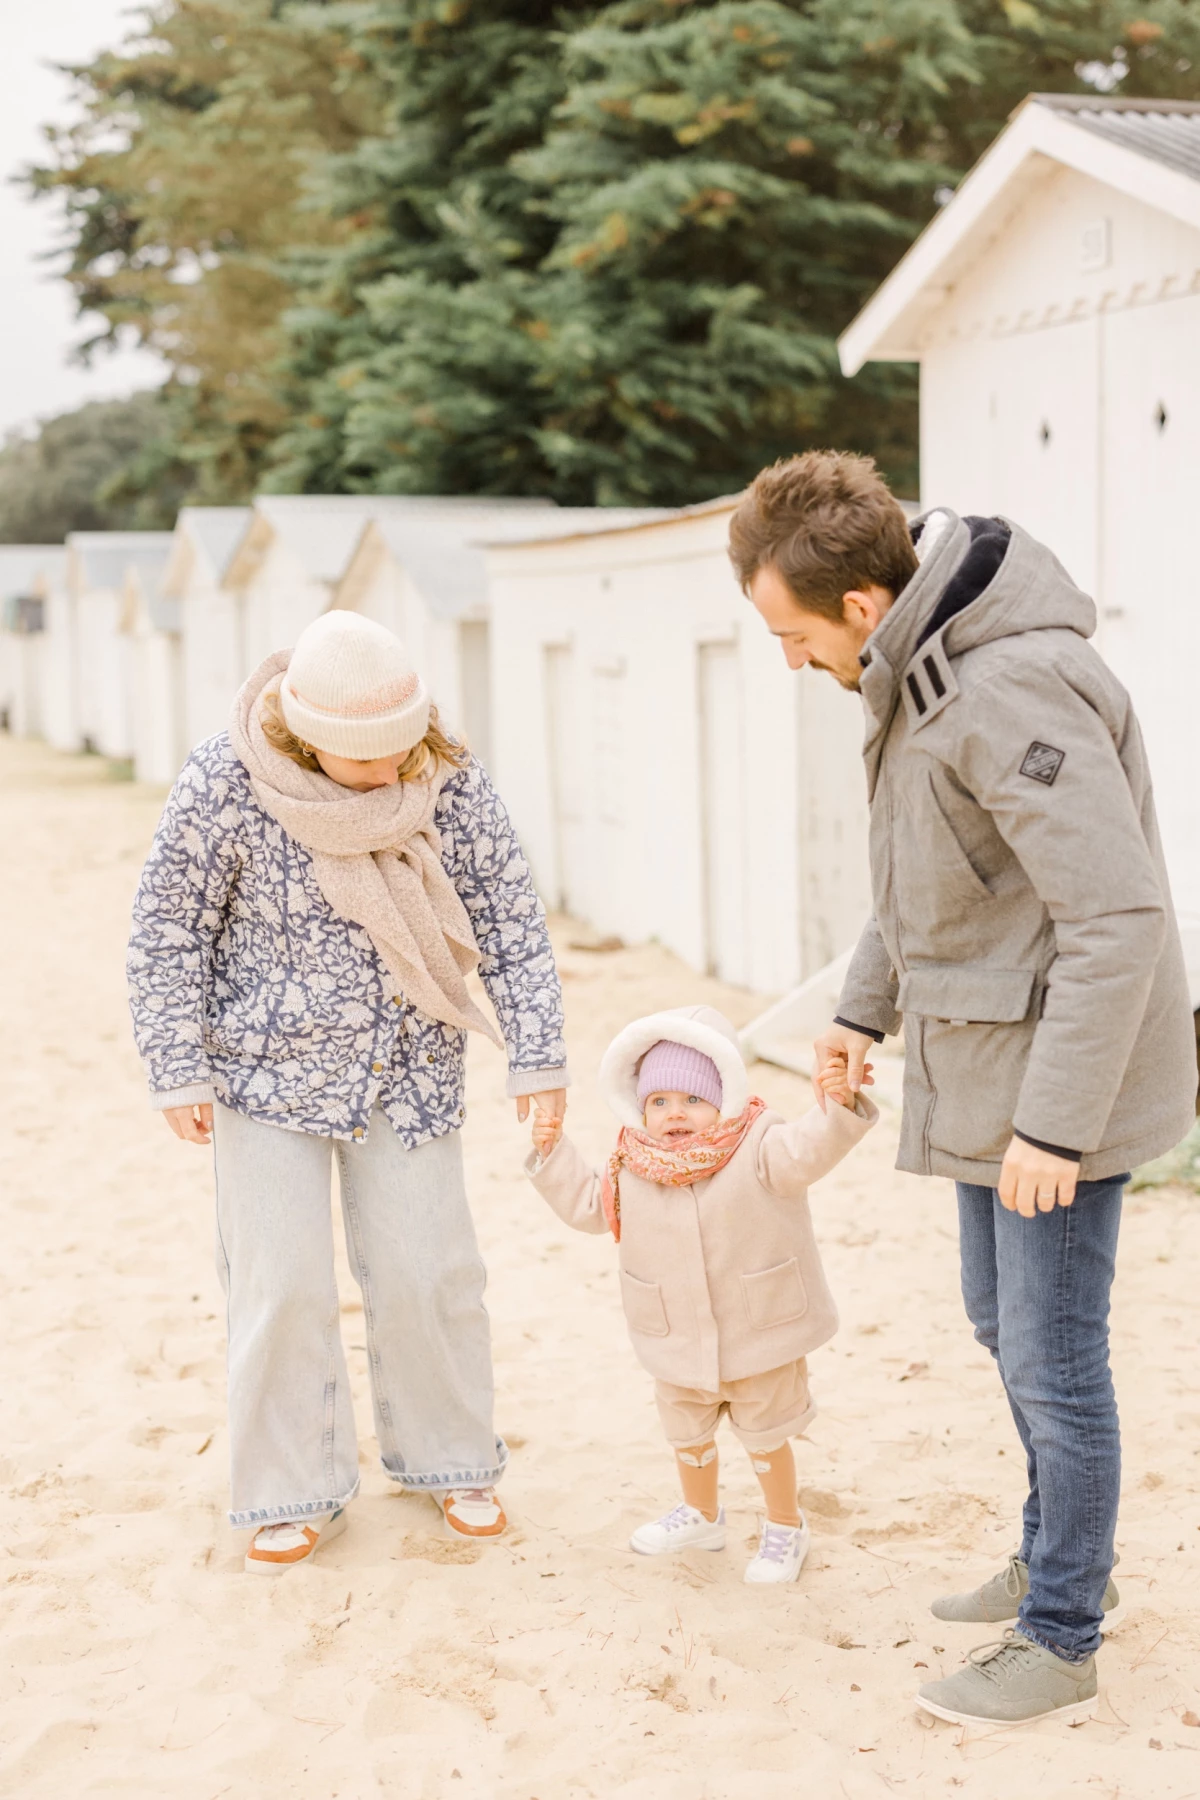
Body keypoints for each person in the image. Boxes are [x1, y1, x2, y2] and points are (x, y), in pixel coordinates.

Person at [730, 451, 1196, 1723]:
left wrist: (1058, 1126)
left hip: (1057, 1089)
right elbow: (930, 872)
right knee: (1004, 1325)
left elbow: (1116, 919)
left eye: (788, 634)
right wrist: (857, 1008)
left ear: (862, 608)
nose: (788, 659)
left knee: (1054, 1359)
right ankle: (1054, 1550)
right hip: (988, 1064)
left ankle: (1062, 1630)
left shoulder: (1008, 687)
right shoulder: (918, 667)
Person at [127, 610, 568, 1572]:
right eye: (363, 759)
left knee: (431, 1273)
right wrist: (177, 1065)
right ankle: (291, 1486)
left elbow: (514, 926)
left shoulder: (447, 783)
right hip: (261, 1072)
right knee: (279, 1285)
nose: (387, 772)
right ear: (303, 736)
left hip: (407, 1069)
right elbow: (167, 927)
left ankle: (452, 1462)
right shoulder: (223, 783)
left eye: (401, 750)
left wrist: (538, 1060)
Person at [525, 1004, 876, 1584]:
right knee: (686, 1433)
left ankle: (786, 1524)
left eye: (692, 1100)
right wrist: (552, 1151)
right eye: (659, 1102)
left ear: (724, 1096)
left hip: (759, 1328)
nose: (674, 1114)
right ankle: (701, 1513)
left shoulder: (763, 1144)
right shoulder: (630, 1162)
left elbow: (811, 1149)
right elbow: (589, 1208)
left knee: (765, 1434)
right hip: (674, 1334)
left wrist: (836, 1104)